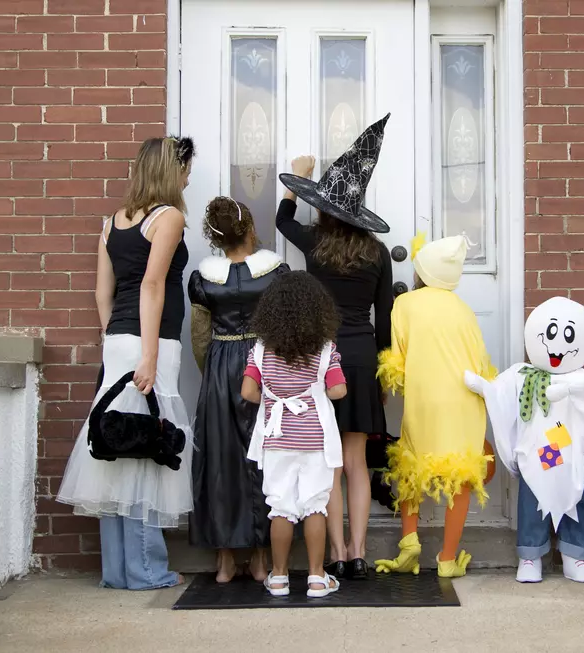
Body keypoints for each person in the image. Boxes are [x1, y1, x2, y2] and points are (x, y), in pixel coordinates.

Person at [57, 136, 195, 590]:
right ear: (169, 172)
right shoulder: (168, 217)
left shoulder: (111, 222)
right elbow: (152, 285)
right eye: (185, 169)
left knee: (116, 448)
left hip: (117, 340)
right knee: (145, 452)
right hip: (150, 343)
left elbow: (103, 293)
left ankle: (117, 570)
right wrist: (150, 353)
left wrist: (114, 340)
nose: (189, 177)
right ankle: (146, 570)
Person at [275, 114, 394, 580]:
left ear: (325, 207)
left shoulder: (315, 243)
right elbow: (383, 317)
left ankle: (339, 550)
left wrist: (297, 178)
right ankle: (361, 550)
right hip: (363, 358)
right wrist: (385, 371)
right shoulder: (378, 254)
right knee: (357, 460)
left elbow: (283, 218)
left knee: (331, 463)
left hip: (324, 361)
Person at [373, 234, 496, 578]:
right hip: (462, 399)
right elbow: (480, 361)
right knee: (461, 474)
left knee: (411, 465)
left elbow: (396, 360)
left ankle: (410, 544)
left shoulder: (405, 304)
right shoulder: (464, 310)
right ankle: (446, 559)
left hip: (424, 396)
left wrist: (388, 386)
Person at [466, 297, 584, 584]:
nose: (558, 346)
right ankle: (530, 555)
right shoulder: (523, 374)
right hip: (539, 453)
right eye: (551, 333)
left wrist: (565, 386)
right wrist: (483, 387)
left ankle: (575, 556)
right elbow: (499, 390)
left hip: (572, 455)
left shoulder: (583, 377)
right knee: (533, 497)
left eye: (568, 335)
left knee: (582, 493)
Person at [187, 196, 290, 583]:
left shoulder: (202, 278)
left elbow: (200, 335)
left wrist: (211, 372)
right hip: (261, 365)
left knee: (219, 459)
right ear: (250, 229)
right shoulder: (275, 273)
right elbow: (283, 329)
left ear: (216, 239)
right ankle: (262, 558)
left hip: (219, 362)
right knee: (263, 456)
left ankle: (225, 560)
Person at [241, 271, 347, 598]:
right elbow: (338, 390)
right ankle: (316, 577)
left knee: (281, 507)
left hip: (277, 439)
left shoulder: (260, 350)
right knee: (316, 504)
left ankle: (278, 577)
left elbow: (247, 392)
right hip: (315, 439)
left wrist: (275, 400)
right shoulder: (325, 349)